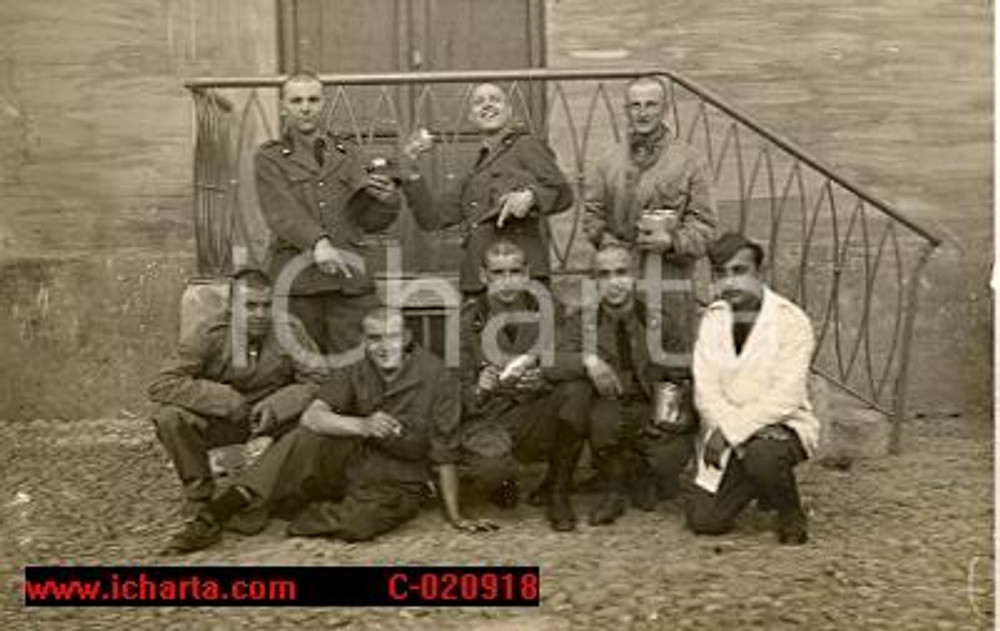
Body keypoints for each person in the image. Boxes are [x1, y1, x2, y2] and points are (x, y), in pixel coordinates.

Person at [165, 307, 497, 553]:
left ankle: (291, 507)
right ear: (364, 342)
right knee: (307, 436)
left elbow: (445, 453)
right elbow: (313, 416)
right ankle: (216, 513)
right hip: (354, 460)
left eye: (392, 337)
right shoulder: (357, 370)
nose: (384, 347)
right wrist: (362, 425)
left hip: (399, 477)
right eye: (375, 339)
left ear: (407, 338)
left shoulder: (438, 377)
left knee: (358, 526)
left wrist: (456, 517)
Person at [148, 268, 328, 517]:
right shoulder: (209, 332)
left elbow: (319, 380)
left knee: (317, 417)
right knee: (170, 417)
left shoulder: (290, 329)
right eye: (250, 306)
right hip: (222, 418)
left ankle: (283, 487)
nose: (260, 314)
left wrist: (278, 406)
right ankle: (198, 492)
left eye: (267, 305)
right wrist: (224, 400)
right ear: (232, 306)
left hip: (271, 418)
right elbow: (162, 382)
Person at [540, 244, 696, 530]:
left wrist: (669, 414)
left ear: (634, 275)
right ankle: (614, 489)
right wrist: (589, 361)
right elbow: (550, 362)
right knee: (602, 422)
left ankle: (643, 473)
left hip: (651, 406)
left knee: (668, 460)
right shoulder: (582, 321)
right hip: (610, 404)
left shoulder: (658, 320)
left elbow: (683, 372)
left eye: (621, 272)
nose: (614, 282)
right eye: (604, 275)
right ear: (594, 282)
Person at [685, 233, 821, 545]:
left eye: (740, 271)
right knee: (704, 521)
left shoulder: (790, 321)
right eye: (721, 273)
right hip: (727, 429)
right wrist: (727, 430)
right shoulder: (713, 319)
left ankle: (789, 510)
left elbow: (785, 397)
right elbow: (706, 390)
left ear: (760, 273)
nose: (730, 282)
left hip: (781, 426)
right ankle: (761, 485)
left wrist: (731, 431)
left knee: (764, 454)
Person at [255, 72, 403, 355]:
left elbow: (368, 220)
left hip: (350, 282)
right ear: (283, 106)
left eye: (313, 99)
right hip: (298, 283)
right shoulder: (269, 158)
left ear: (323, 103)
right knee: (303, 366)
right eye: (296, 100)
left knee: (359, 365)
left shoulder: (349, 154)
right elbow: (280, 211)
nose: (305, 107)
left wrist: (386, 200)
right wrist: (318, 243)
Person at [582, 75, 717, 380]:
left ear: (664, 109)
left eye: (651, 105)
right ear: (626, 110)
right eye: (635, 105)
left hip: (668, 280)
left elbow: (707, 228)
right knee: (622, 357)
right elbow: (592, 216)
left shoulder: (690, 161)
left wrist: (671, 241)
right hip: (619, 284)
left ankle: (670, 422)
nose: (643, 113)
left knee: (672, 363)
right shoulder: (608, 161)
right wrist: (608, 245)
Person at [400, 82, 573, 295]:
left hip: (521, 280)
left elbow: (563, 193)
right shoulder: (474, 172)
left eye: (495, 100)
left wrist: (532, 196)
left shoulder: (526, 145)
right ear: (471, 118)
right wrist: (410, 165)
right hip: (479, 282)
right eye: (479, 102)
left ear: (509, 111)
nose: (487, 105)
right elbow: (432, 218)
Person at [457, 240, 566, 511]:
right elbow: (452, 386)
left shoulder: (549, 310)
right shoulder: (466, 321)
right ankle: (503, 478)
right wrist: (478, 388)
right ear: (484, 276)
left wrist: (544, 376)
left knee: (575, 393)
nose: (507, 282)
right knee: (489, 468)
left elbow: (568, 353)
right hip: (491, 415)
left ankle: (557, 483)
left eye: (514, 272)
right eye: (498, 273)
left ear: (527, 274)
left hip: (535, 407)